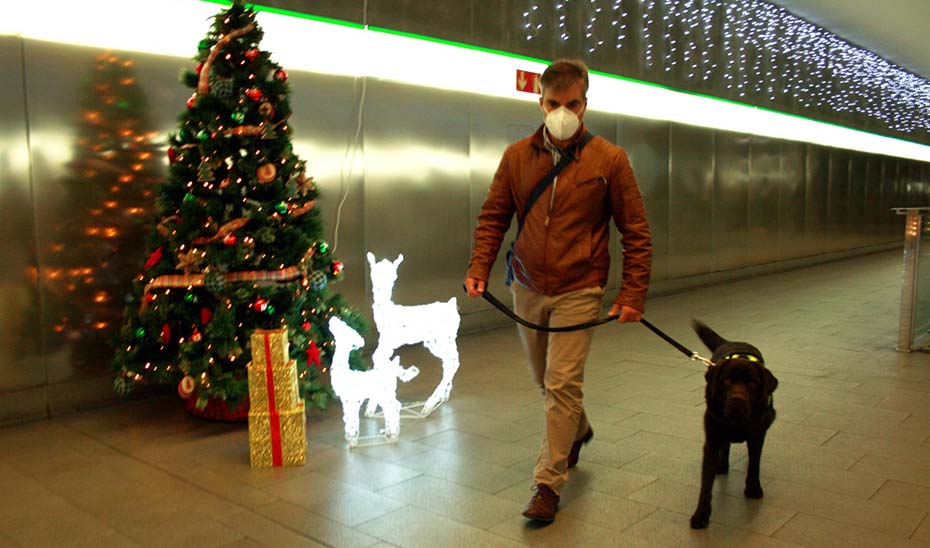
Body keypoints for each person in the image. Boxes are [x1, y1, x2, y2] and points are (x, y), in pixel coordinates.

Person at [464, 59, 652, 522]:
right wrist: (479, 267)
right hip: (525, 284)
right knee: (543, 380)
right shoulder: (516, 157)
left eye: (572, 104)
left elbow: (636, 231)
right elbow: (493, 216)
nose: (562, 112)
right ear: (540, 101)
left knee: (561, 384)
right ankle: (577, 429)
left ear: (585, 104)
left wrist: (632, 294)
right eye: (553, 104)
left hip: (580, 288)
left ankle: (547, 484)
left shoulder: (610, 160)